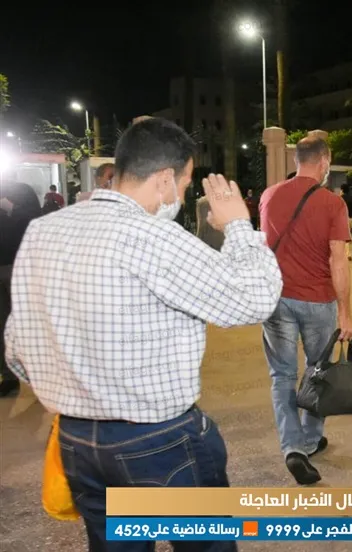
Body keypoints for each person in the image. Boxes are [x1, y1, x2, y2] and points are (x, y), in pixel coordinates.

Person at [4, 118, 282, 551]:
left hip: (77, 441)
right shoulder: (153, 237)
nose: (182, 195)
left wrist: (73, 387)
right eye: (185, 184)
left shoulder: (43, 231)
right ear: (165, 179)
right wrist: (237, 227)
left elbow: (17, 349)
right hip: (157, 441)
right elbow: (256, 298)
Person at [260, 137, 352, 486]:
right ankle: (311, 440)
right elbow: (338, 261)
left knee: (282, 376)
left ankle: (293, 448)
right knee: (319, 372)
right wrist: (345, 312)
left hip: (276, 300)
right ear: (324, 160)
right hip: (317, 301)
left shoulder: (269, 195)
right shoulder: (333, 203)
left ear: (297, 160)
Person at [0, 182, 42, 397]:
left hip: (20, 269)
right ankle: (9, 375)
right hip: (8, 268)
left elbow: (32, 223)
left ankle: (36, 372)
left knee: (27, 323)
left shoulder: (23, 195)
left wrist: (11, 212)